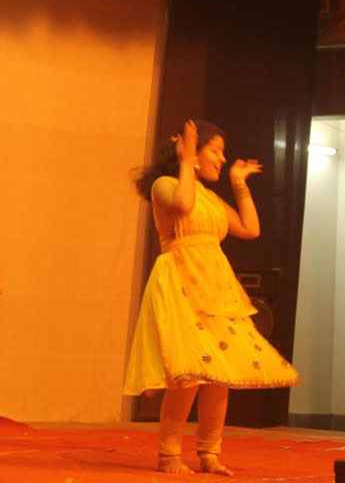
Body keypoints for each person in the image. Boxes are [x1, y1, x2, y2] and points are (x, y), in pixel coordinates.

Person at [125, 119, 299, 476]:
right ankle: (169, 454)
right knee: (190, 374)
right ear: (192, 152)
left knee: (219, 374)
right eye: (215, 151)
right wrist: (185, 159)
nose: (222, 159)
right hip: (181, 279)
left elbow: (250, 229)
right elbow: (182, 204)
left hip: (215, 284)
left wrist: (238, 183)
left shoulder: (210, 196)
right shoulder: (165, 185)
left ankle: (209, 452)